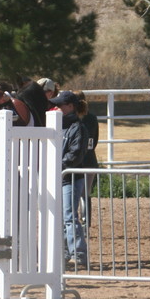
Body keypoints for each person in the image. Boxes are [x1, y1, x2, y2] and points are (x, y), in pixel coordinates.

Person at [49, 90, 90, 269]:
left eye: (61, 105)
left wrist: (56, 166)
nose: (57, 107)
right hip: (62, 176)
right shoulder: (61, 127)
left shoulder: (78, 128)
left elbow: (75, 155)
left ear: (70, 107)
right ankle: (67, 253)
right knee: (63, 217)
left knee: (69, 216)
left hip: (71, 177)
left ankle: (78, 254)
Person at [76, 91, 100, 226]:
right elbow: (95, 140)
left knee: (74, 193)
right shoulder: (92, 118)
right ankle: (86, 222)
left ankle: (76, 222)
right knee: (86, 194)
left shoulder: (72, 119)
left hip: (76, 162)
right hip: (90, 159)